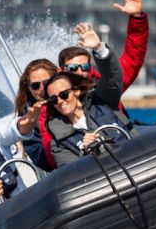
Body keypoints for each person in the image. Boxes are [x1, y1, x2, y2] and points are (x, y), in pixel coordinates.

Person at [43, 23, 134, 168]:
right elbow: (69, 173)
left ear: (76, 91)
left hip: (134, 160)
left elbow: (113, 76)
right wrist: (85, 152)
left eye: (64, 94)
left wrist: (99, 48)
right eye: (54, 99)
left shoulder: (101, 98)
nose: (60, 101)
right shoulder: (57, 138)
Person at [13, 58, 57, 171]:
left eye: (46, 82)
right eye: (35, 86)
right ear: (29, 88)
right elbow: (42, 160)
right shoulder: (28, 119)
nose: (42, 88)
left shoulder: (72, 97)